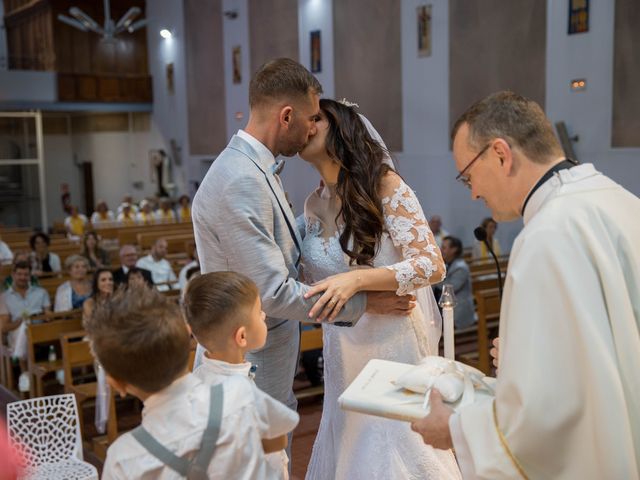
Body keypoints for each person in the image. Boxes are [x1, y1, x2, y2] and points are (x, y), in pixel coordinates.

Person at [410, 91, 640, 478]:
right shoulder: (620, 202)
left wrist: (455, 429)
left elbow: (547, 416)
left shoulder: (547, 236)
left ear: (500, 154)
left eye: (468, 176)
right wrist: (524, 357)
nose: (474, 193)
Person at [191, 58, 412, 427]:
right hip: (247, 364)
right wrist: (367, 303)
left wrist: (327, 211)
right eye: (311, 118)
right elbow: (273, 293)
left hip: (258, 360)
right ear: (286, 116)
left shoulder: (250, 169)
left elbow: (279, 243)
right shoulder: (240, 180)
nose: (313, 128)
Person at [298, 98, 460, 479]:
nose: (307, 125)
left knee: (393, 445)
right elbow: (310, 284)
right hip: (342, 346)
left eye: (316, 118)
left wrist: (358, 278)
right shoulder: (311, 204)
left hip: (392, 343)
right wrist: (366, 301)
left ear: (341, 130)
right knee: (352, 445)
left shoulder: (384, 185)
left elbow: (430, 263)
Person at [86, 287, 297, 479]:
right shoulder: (240, 392)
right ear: (188, 337)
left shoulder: (122, 457)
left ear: (116, 384)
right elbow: (277, 443)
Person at [183, 271, 299, 479]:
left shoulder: (198, 377)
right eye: (259, 313)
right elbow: (271, 455)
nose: (264, 316)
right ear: (242, 336)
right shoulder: (244, 397)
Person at [0, 261, 51, 389]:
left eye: (26, 274)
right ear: (13, 275)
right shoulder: (4, 297)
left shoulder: (41, 292)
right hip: (17, 332)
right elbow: (4, 327)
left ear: (30, 276)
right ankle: (27, 373)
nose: (23, 277)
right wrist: (21, 321)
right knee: (23, 331)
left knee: (31, 330)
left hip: (40, 330)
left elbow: (49, 317)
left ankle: (27, 374)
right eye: (19, 274)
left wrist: (38, 318)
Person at [439, 236, 474, 329]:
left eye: (444, 247)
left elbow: (449, 288)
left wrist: (432, 279)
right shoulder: (447, 263)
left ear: (454, 249)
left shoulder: (460, 267)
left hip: (459, 310)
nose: (440, 250)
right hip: (449, 307)